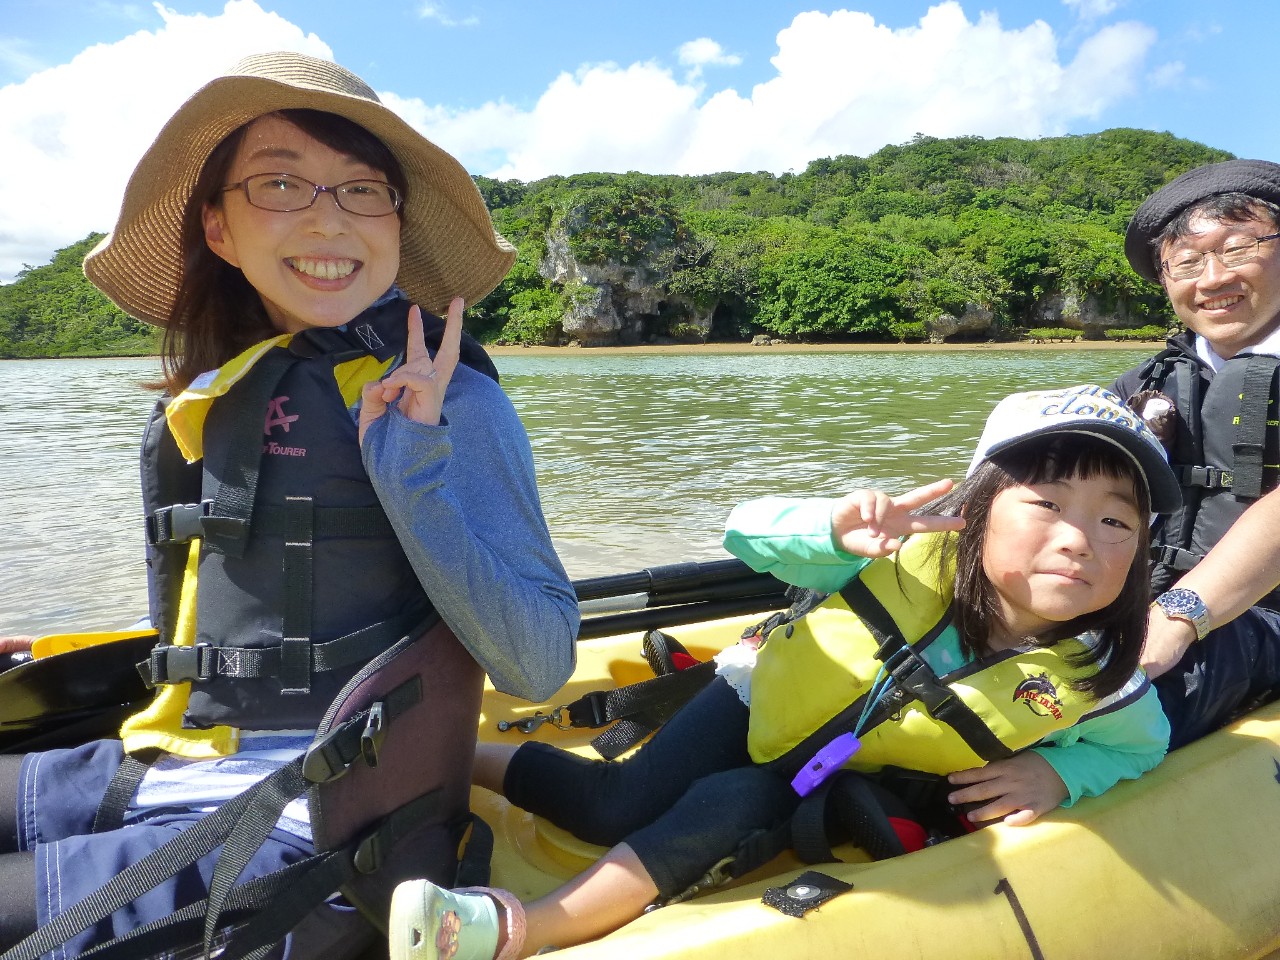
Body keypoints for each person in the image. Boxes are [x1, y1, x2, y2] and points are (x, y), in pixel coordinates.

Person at [0, 53, 578, 957]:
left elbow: (539, 663)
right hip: (171, 762)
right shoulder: (225, 386)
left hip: (316, 821)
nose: (327, 218)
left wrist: (411, 468)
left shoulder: (448, 403)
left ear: (397, 223)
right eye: (280, 182)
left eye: (362, 189)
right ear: (219, 228)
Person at [386, 384, 1177, 960]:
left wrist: (1057, 774)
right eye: (1048, 505)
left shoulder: (1096, 676)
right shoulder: (896, 553)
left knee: (734, 801)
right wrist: (831, 528)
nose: (1079, 539)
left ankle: (516, 928)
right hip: (755, 699)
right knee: (609, 806)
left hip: (834, 777)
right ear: (974, 509)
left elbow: (1142, 742)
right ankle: (455, 759)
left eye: (1116, 520)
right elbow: (745, 531)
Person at [1113, 159, 1280, 748]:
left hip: (1253, 621)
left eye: (1238, 249)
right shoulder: (1145, 384)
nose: (1212, 278)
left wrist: (1179, 616)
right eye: (1186, 263)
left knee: (1130, 693)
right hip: (1150, 597)